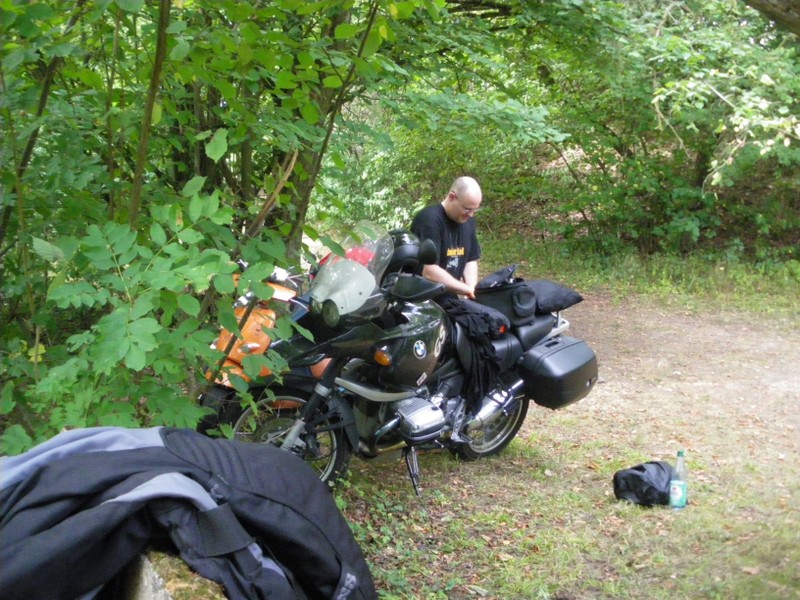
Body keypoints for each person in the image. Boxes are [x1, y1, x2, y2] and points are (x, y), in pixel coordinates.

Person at [410, 176, 483, 300]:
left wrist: (471, 288)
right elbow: (429, 272)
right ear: (452, 197)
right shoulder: (429, 220)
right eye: (467, 209)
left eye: (475, 210)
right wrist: (465, 289)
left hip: (449, 299)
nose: (471, 215)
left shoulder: (468, 220)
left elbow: (470, 260)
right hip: (424, 300)